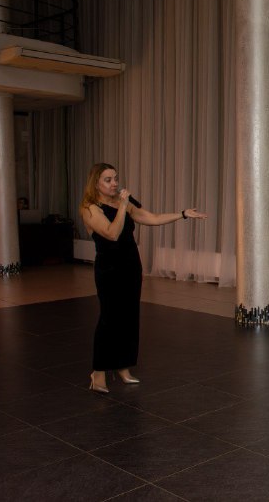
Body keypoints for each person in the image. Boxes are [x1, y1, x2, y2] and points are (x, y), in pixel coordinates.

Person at [80, 163, 207, 393]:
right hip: (109, 270)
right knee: (110, 319)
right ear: (95, 183)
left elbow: (153, 218)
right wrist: (123, 206)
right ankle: (98, 371)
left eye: (115, 178)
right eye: (108, 180)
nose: (114, 183)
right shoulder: (90, 209)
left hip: (130, 266)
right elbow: (112, 233)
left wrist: (182, 214)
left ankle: (123, 367)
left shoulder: (122, 203)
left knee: (129, 317)